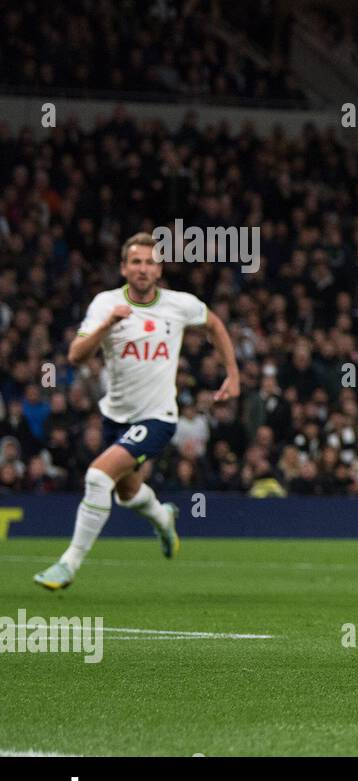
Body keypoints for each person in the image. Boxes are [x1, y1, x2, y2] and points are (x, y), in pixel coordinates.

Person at [34, 233, 239, 590]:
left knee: (98, 478)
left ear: (159, 269)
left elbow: (215, 325)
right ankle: (163, 518)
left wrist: (233, 375)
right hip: (116, 417)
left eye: (150, 262)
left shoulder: (179, 304)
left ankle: (68, 564)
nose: (143, 269)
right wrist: (108, 324)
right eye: (136, 262)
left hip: (158, 418)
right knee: (126, 493)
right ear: (124, 268)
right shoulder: (106, 304)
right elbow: (76, 356)